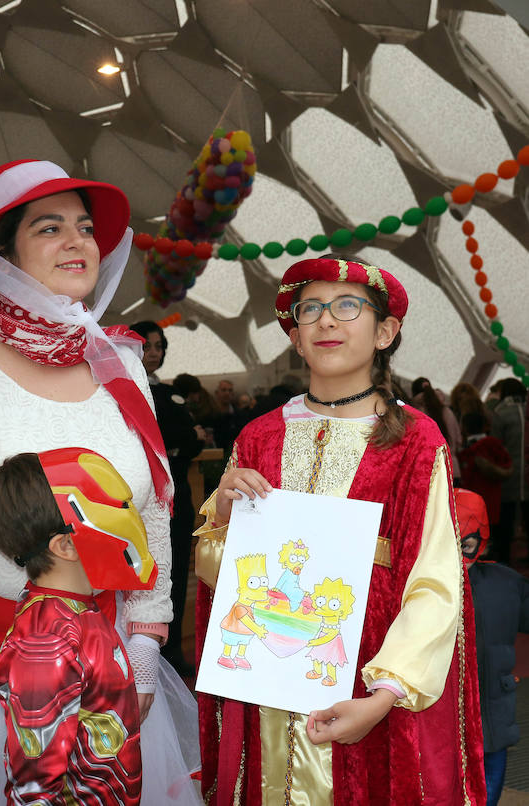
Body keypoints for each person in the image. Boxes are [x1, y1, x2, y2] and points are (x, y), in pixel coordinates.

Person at [0, 159, 201, 805]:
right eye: (50, 228)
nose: (78, 242)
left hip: (113, 661)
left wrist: (149, 636)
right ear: (1, 254)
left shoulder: (118, 359)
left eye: (85, 227)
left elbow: (153, 505)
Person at [193, 255, 485, 804]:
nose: (327, 320)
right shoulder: (258, 437)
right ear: (296, 338)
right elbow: (217, 576)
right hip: (268, 680)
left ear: (385, 331)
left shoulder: (416, 442)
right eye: (311, 309)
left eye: (347, 306)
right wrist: (225, 520)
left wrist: (385, 694)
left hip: (369, 684)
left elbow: (436, 582)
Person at [0, 448, 159, 806]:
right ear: (64, 545)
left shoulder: (75, 610)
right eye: (107, 515)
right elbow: (34, 786)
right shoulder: (45, 642)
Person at [130, 320, 204, 676]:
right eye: (146, 346)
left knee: (172, 572)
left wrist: (181, 441)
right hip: (135, 499)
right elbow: (179, 437)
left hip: (176, 498)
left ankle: (170, 649)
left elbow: (190, 443)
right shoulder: (123, 389)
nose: (153, 353)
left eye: (159, 346)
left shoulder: (169, 393)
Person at [456, 488, 529, 806]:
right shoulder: (421, 584)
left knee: (488, 785)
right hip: (445, 709)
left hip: (493, 709)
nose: (458, 558)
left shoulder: (507, 584)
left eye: (466, 546)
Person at [490, 377, 526, 564]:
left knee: (506, 522)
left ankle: (504, 562)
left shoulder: (500, 413)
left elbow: (496, 446)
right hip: (527, 476)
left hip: (508, 477)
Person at [458, 411, 512, 527]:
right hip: (494, 500)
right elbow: (508, 466)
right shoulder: (495, 443)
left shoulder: (466, 451)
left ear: (464, 428)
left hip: (471, 505)